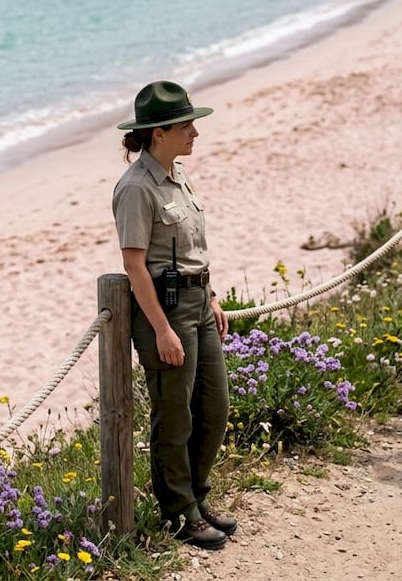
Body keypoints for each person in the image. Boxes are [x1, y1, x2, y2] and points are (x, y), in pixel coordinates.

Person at [111, 81, 234, 551]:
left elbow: (192, 250)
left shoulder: (177, 175)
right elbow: (134, 265)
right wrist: (162, 328)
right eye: (186, 126)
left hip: (199, 304)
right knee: (174, 416)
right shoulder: (136, 188)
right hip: (166, 311)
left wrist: (213, 297)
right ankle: (178, 513)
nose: (195, 133)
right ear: (157, 133)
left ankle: (196, 500)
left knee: (214, 409)